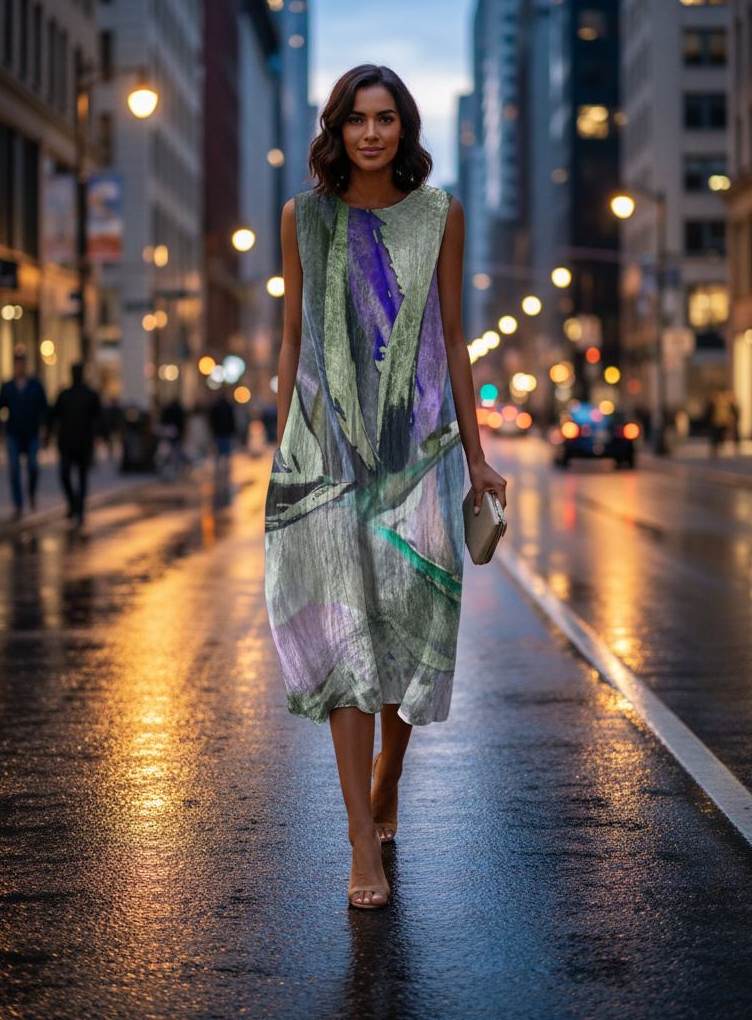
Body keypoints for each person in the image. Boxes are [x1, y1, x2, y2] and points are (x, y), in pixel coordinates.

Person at [265, 65, 507, 910]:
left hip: (419, 451)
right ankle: (359, 843)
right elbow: (294, 340)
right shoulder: (306, 218)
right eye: (359, 120)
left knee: (410, 627)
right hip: (328, 456)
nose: (372, 134)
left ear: (405, 128)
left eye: (388, 119)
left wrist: (476, 458)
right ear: (338, 128)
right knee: (346, 644)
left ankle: (391, 767)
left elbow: (453, 337)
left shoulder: (441, 215)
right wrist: (287, 446)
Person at [0, 349, 49, 519]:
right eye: (17, 365)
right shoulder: (8, 387)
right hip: (13, 434)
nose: (20, 368)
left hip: (31, 433)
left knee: (33, 466)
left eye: (22, 364)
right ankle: (18, 504)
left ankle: (31, 494)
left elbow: (44, 408)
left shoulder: (35, 385)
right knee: (15, 470)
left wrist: (44, 427)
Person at [49, 364, 103, 526]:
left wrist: (99, 435)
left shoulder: (89, 395)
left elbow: (99, 417)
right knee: (65, 473)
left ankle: (79, 509)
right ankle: (74, 504)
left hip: (83, 443)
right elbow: (54, 415)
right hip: (67, 442)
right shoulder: (65, 395)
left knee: (82, 477)